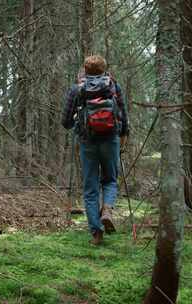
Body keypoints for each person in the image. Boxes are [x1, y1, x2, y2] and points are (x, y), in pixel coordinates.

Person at [62, 55, 129, 245]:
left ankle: (96, 233)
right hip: (111, 139)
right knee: (110, 180)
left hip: (87, 141)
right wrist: (122, 135)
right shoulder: (113, 86)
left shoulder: (77, 89)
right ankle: (107, 209)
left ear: (85, 70)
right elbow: (124, 115)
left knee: (90, 188)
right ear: (104, 69)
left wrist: (77, 121)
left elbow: (65, 121)